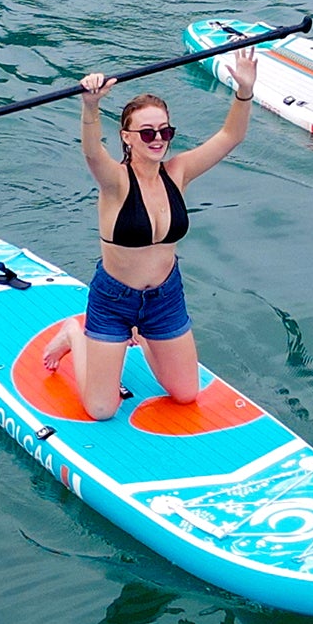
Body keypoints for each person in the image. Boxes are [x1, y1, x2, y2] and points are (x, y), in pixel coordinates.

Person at [62, 50, 257, 420]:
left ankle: (145, 334)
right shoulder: (115, 182)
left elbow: (231, 135)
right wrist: (90, 107)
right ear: (127, 137)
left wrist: (243, 90)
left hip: (165, 298)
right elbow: (91, 152)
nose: (158, 139)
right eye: (147, 132)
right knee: (101, 410)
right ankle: (75, 334)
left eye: (165, 131)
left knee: (186, 395)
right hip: (113, 300)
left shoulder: (178, 172)